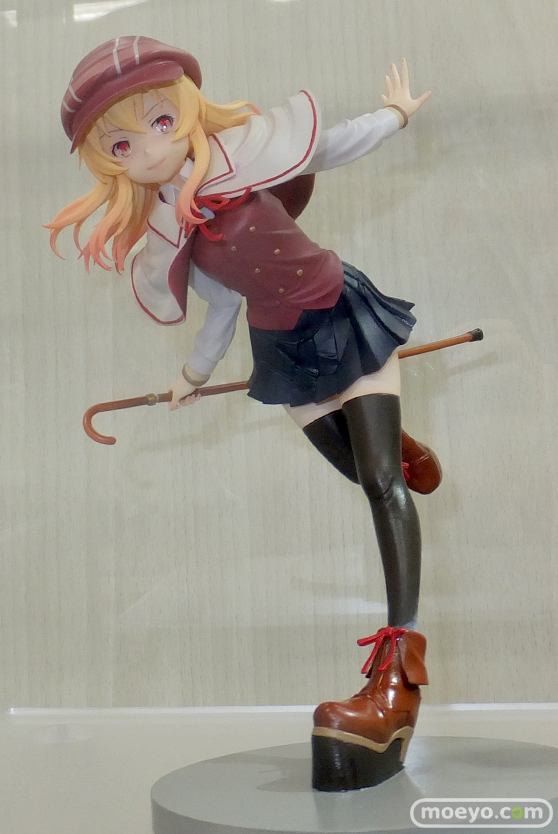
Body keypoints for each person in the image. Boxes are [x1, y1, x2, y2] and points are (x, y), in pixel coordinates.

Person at [48, 36, 436, 791]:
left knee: (381, 485)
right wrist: (192, 376)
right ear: (109, 163)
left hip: (340, 313)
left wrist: (394, 117)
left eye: (160, 122)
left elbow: (328, 147)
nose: (148, 149)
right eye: (122, 145)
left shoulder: (249, 160)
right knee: (360, 466)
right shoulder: (175, 230)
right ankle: (396, 442)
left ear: (187, 107)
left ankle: (397, 669)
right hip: (281, 351)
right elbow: (221, 311)